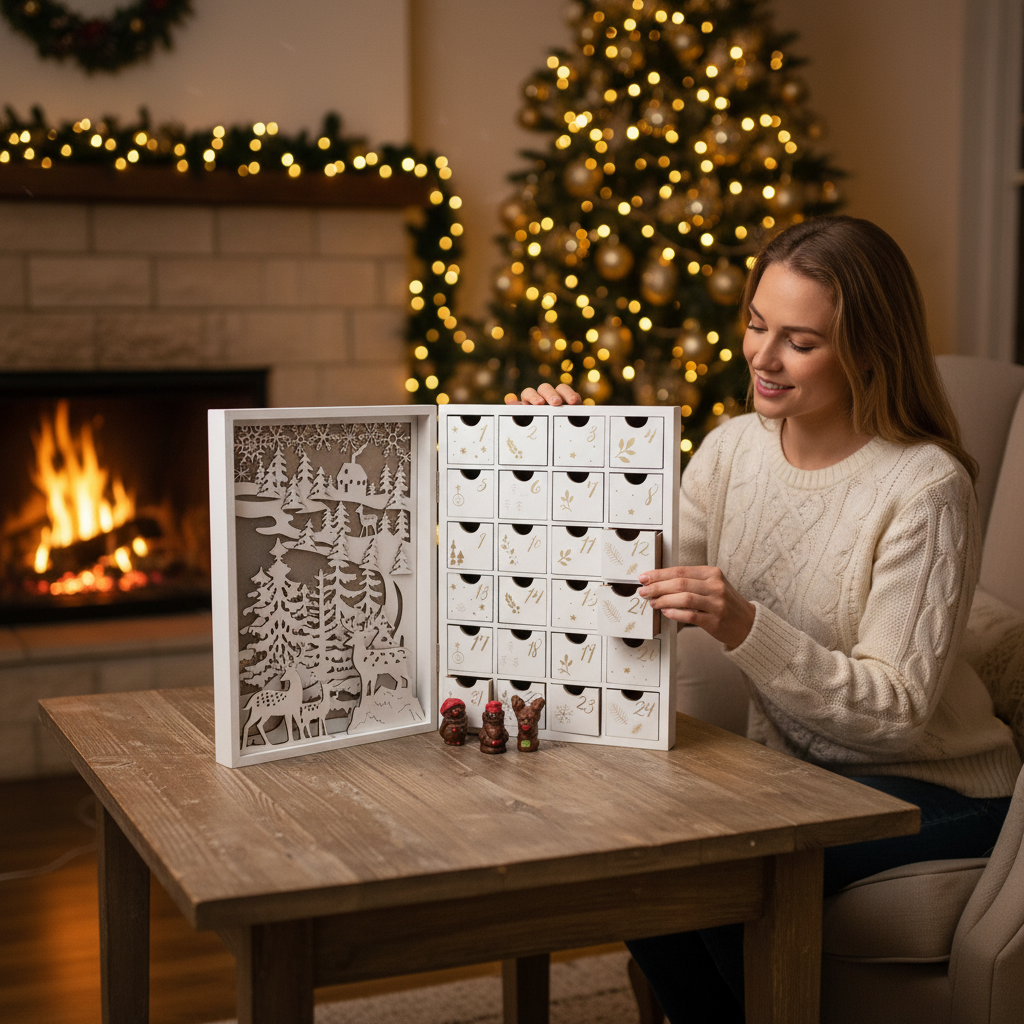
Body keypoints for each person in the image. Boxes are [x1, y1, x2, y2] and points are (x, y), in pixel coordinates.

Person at [508, 215, 1021, 1021]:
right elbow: (628, 592)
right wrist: (565, 459)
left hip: (940, 788)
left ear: (866, 350)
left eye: (800, 341)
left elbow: (895, 713)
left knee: (705, 872)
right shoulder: (733, 449)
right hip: (795, 777)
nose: (762, 357)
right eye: (754, 324)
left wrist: (746, 624)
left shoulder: (924, 488)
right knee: (627, 860)